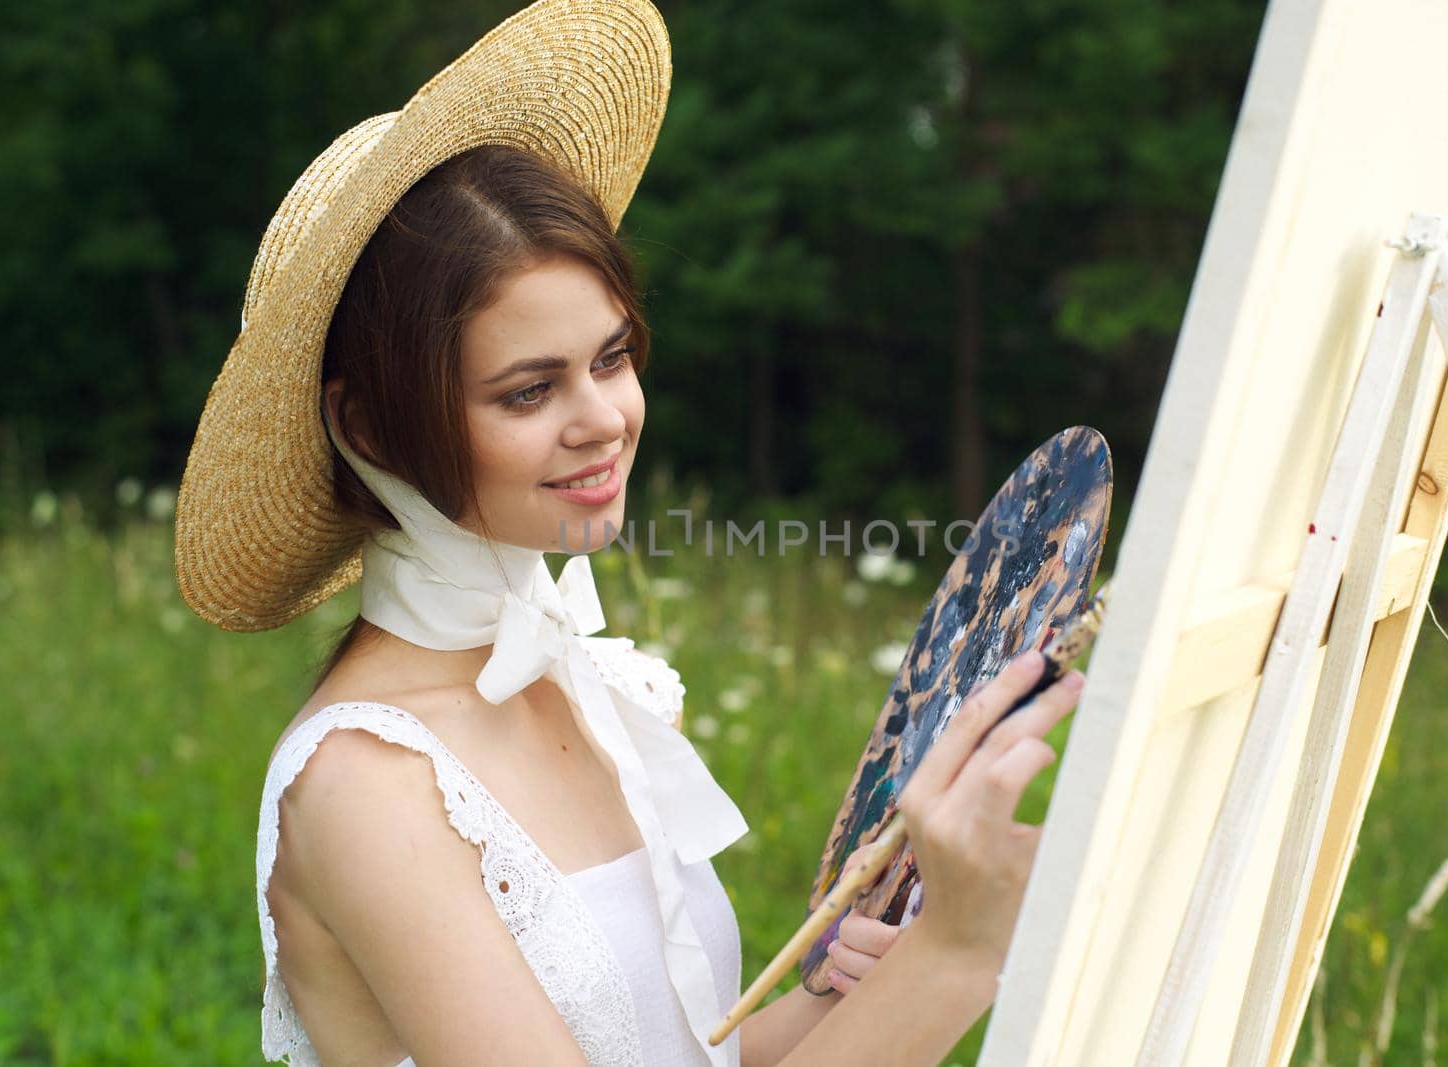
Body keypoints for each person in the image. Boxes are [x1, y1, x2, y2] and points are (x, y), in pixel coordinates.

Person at [173, 2, 1084, 1064]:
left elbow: (694, 1052)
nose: (603, 417)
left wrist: (870, 983)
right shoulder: (364, 782)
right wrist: (962, 953)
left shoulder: (587, 681)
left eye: (610, 357)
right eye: (528, 390)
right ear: (370, 424)